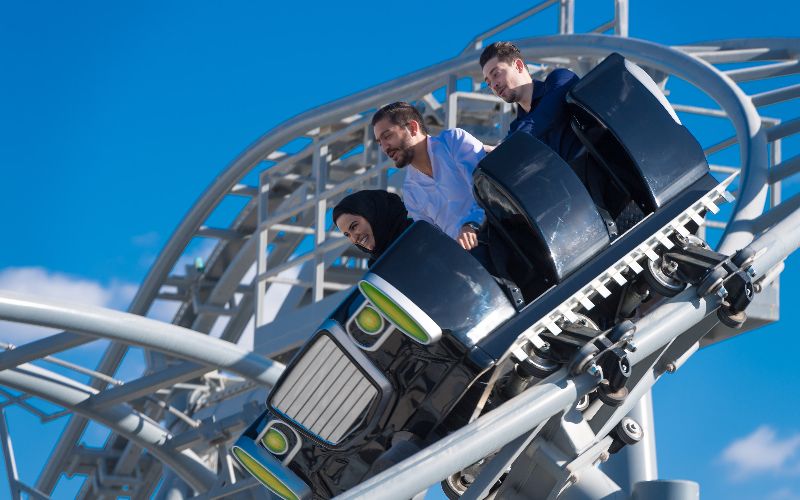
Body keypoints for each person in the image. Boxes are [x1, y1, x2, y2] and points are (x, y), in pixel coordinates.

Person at [371, 102, 485, 251]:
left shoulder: (453, 142)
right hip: (471, 260)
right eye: (380, 143)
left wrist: (471, 224)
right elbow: (433, 242)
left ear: (412, 128)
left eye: (388, 136)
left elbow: (488, 189)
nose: (385, 148)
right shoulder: (411, 192)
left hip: (501, 234)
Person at [480, 41, 583, 162]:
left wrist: (504, 147)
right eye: (488, 83)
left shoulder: (561, 79)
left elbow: (542, 117)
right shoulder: (515, 130)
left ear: (518, 66)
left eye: (496, 74)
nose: (494, 85)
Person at [333, 189, 413, 266]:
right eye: (347, 235)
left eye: (354, 226)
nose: (354, 239)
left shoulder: (421, 234)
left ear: (373, 215)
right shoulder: (377, 271)